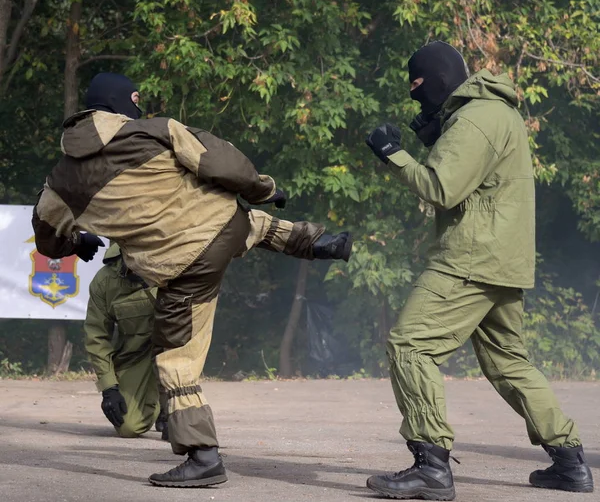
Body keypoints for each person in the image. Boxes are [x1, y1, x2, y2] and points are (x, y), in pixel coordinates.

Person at [32, 72, 353, 488]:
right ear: (122, 107)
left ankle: (202, 457)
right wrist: (261, 188)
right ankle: (318, 241)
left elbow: (46, 237)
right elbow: (220, 161)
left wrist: (74, 243)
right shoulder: (157, 128)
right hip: (223, 225)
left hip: (183, 266)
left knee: (175, 358)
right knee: (246, 223)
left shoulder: (61, 180)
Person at [364, 41, 593, 500]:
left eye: (418, 86)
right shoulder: (494, 113)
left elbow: (441, 188)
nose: (414, 97)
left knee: (409, 345)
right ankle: (569, 462)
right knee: (509, 361)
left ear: (441, 79)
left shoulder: (474, 119)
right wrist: (439, 134)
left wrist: (392, 153)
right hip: (504, 259)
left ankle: (431, 466)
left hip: (470, 257)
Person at [84, 243, 168, 440]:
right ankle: (156, 404)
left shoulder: (172, 268)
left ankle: (171, 408)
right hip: (136, 356)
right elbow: (97, 336)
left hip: (172, 350)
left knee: (183, 430)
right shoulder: (104, 282)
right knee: (129, 427)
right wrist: (109, 388)